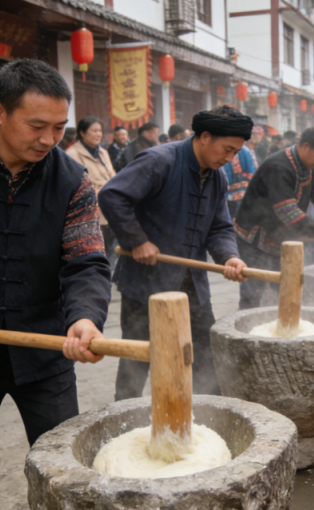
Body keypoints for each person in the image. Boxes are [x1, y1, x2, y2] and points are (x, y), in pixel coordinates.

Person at [0, 59, 112, 510]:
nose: (50, 140)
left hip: (44, 352)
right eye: (37, 125)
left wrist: (86, 318)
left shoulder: (73, 181)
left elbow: (86, 260)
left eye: (58, 127)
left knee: (67, 473)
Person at [99, 105, 251, 399]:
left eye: (236, 152)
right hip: (145, 284)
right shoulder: (160, 160)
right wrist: (137, 240)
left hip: (192, 285)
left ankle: (206, 414)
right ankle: (124, 421)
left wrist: (229, 257)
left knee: (204, 354)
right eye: (227, 150)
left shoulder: (218, 177)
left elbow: (219, 227)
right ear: (205, 137)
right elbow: (112, 195)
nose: (230, 158)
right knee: (138, 358)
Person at [234, 127, 314, 309]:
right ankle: (244, 331)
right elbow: (286, 210)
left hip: (279, 237)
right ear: (306, 146)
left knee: (285, 286)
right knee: (253, 291)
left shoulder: (309, 167)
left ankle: (282, 326)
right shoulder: (278, 166)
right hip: (254, 236)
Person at [66, 116, 117, 261]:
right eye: (94, 131)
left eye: (100, 131)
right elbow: (76, 188)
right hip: (91, 213)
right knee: (96, 253)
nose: (98, 134)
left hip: (110, 209)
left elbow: (113, 175)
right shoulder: (72, 154)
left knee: (111, 252)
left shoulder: (102, 152)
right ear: (82, 133)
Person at [222, 145, 258, 219]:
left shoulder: (220, 149)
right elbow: (252, 172)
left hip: (226, 196)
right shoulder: (246, 150)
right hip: (244, 193)